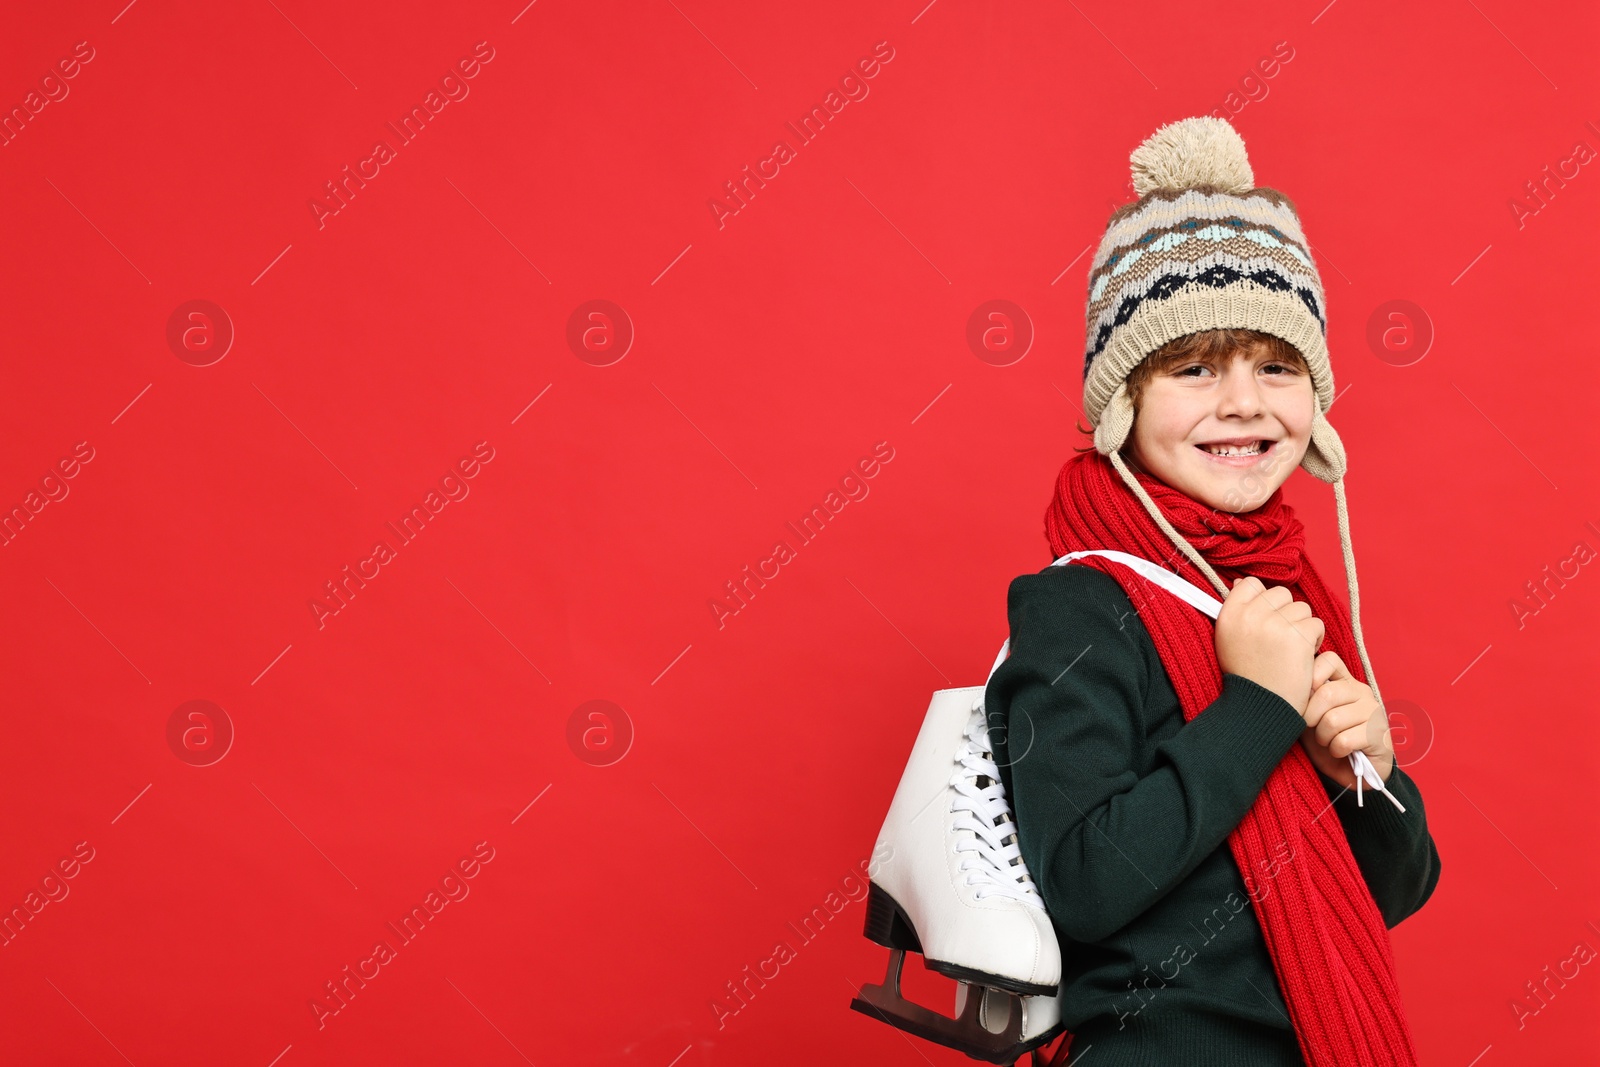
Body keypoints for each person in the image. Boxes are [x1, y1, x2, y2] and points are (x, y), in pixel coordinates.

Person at [983, 116, 1442, 1067]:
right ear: (1122, 404)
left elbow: (1392, 893)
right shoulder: (1080, 607)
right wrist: (1257, 708)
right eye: (1193, 369)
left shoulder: (1281, 589)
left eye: (1276, 366)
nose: (1242, 401)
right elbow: (1081, 882)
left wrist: (1370, 769)